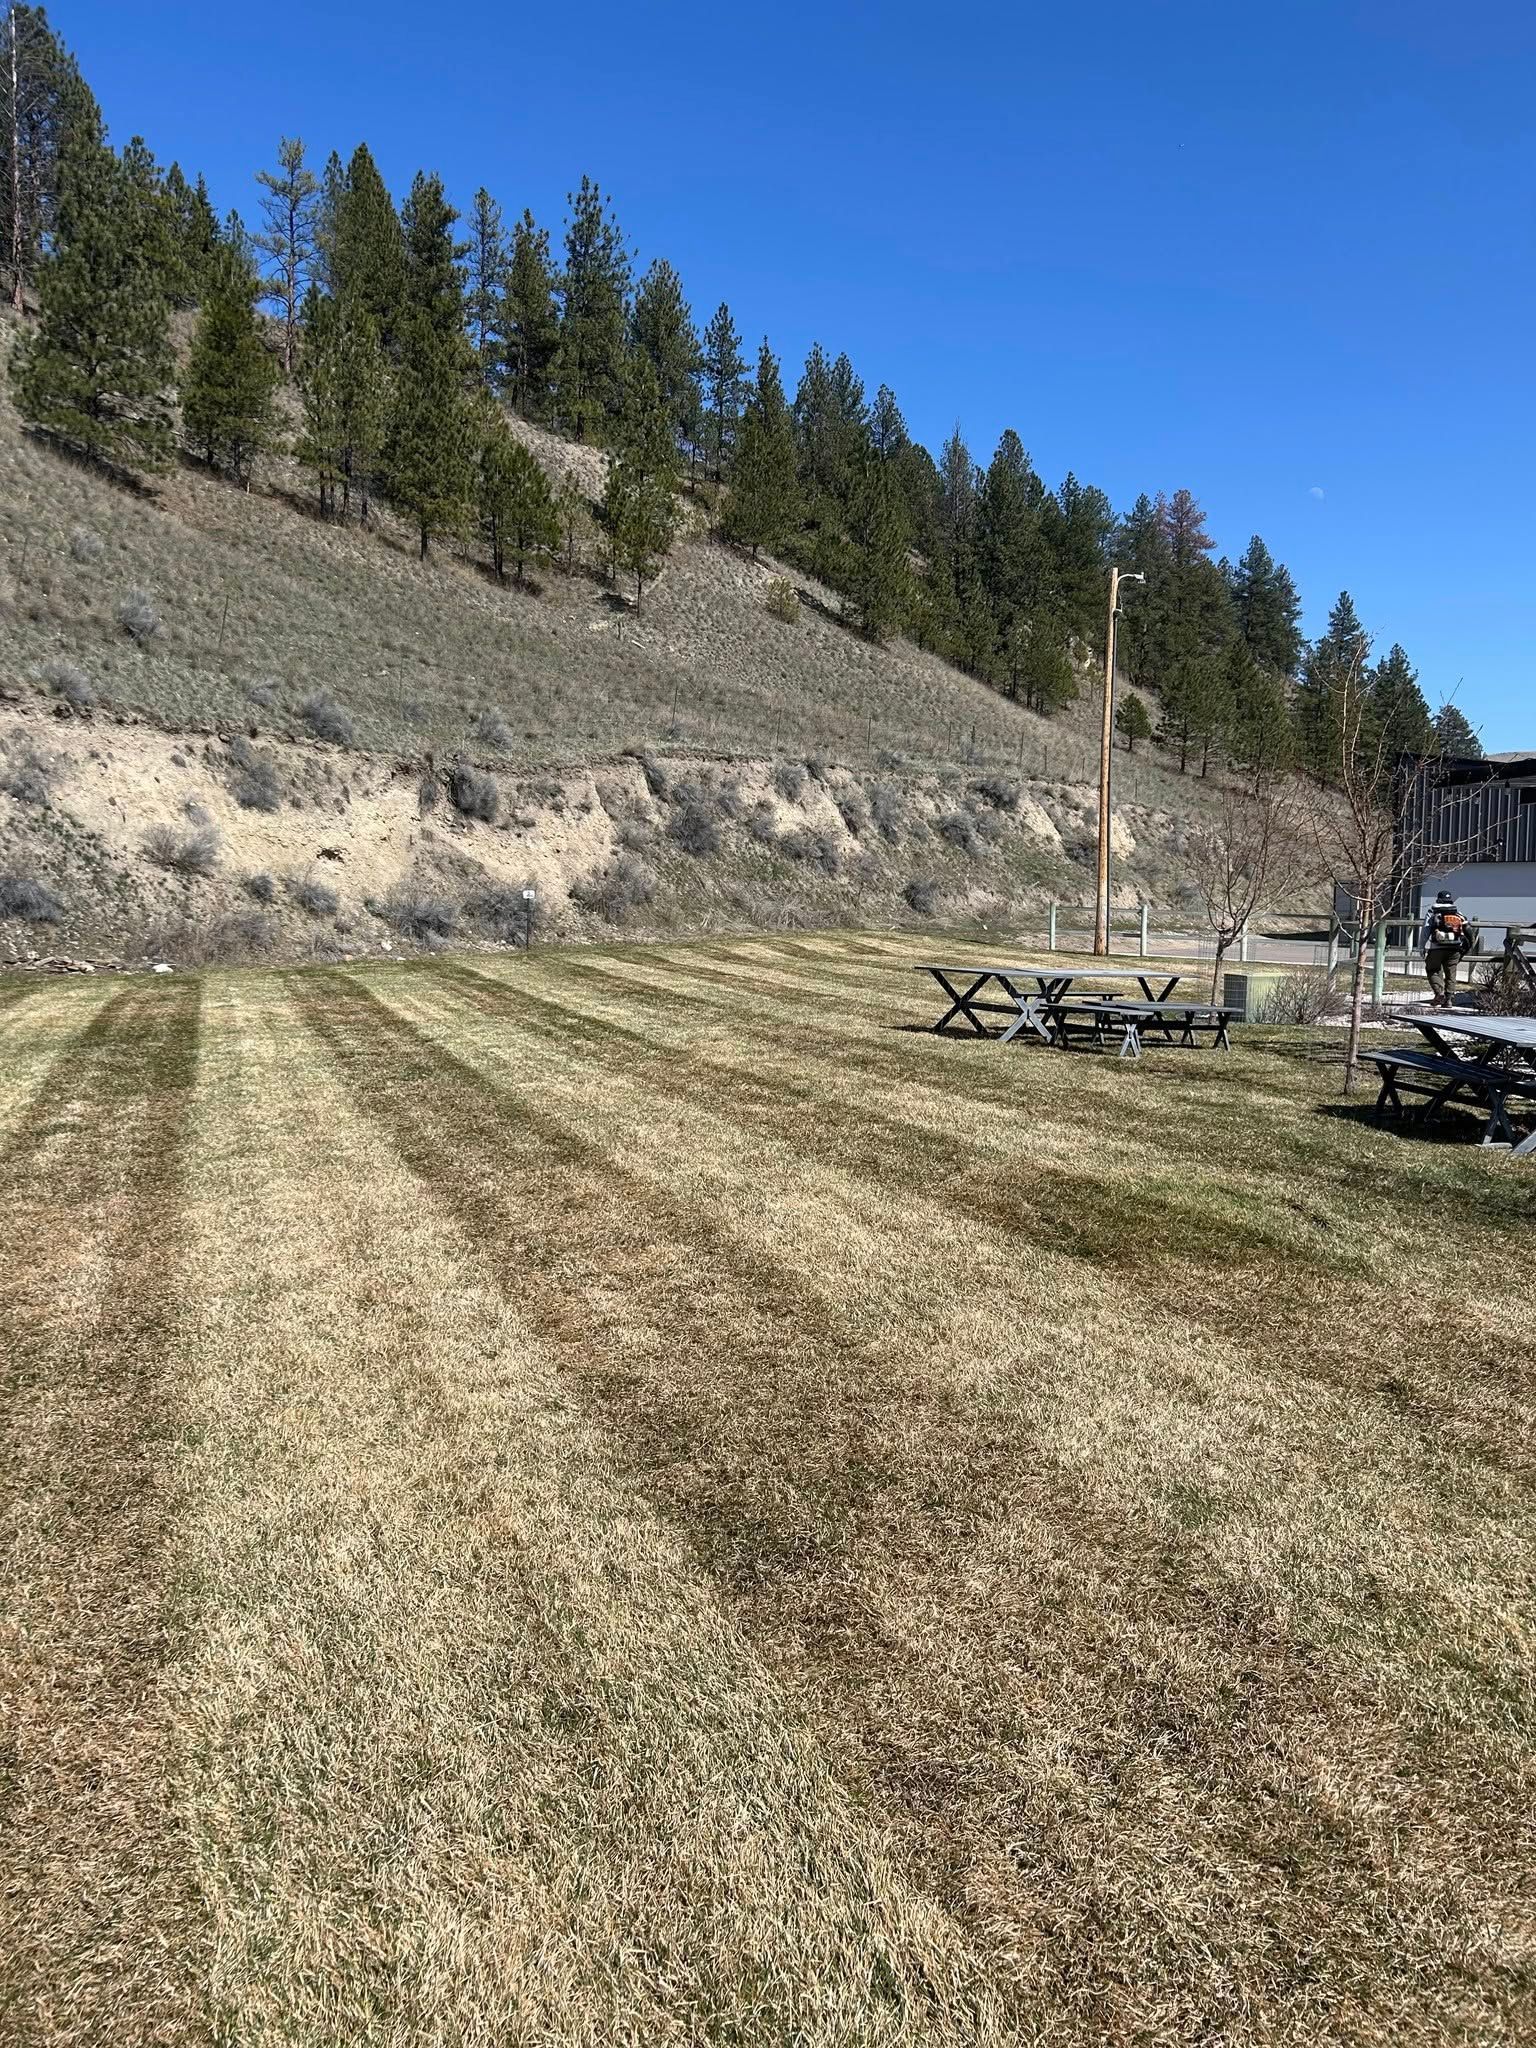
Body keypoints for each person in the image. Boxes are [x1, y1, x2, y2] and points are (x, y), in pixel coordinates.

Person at [1422, 889, 1470, 1008]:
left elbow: (1425, 930)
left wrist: (1421, 946)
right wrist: (1467, 946)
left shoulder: (1432, 911)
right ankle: (1449, 1000)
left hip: (1436, 947)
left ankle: (1439, 992)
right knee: (1451, 973)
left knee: (1432, 969)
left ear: (1438, 899)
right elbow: (1468, 929)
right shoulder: (1457, 912)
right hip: (1455, 947)